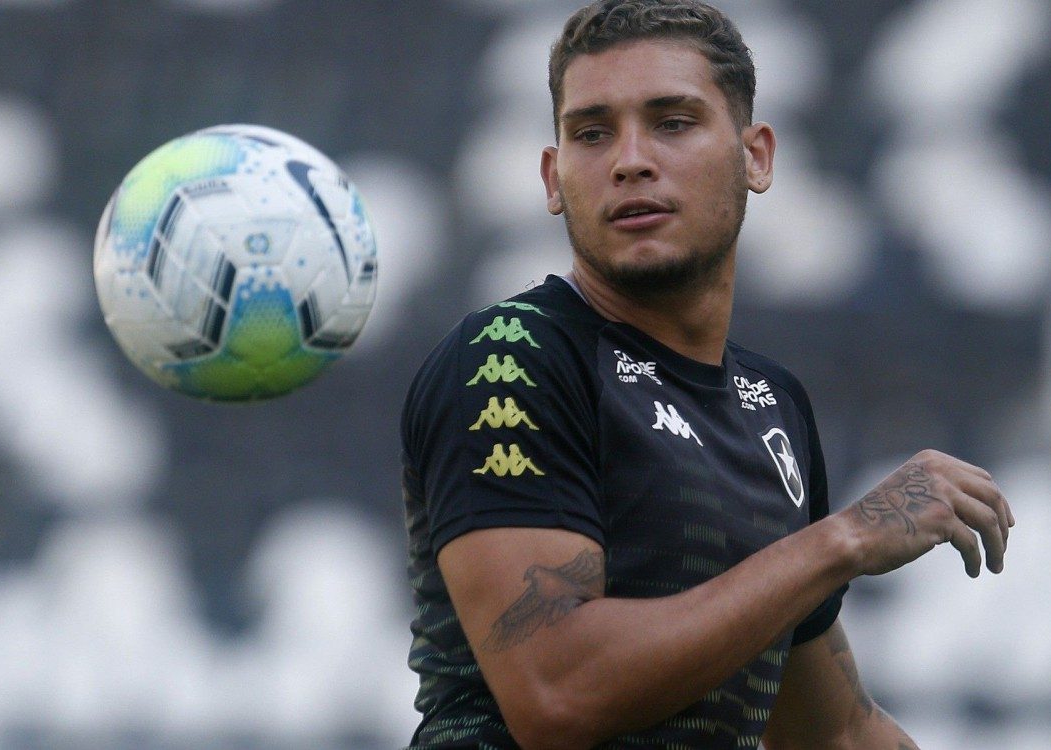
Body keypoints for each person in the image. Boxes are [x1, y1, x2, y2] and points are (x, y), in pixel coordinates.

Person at [400, 1, 1014, 747]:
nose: (630, 159)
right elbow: (556, 695)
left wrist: (825, 553)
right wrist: (842, 538)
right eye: (592, 133)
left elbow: (833, 733)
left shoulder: (773, 405)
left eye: (673, 122)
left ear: (755, 156)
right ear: (553, 177)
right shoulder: (513, 354)